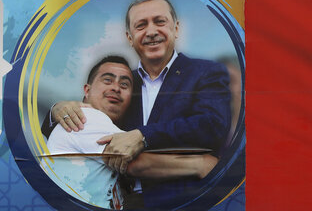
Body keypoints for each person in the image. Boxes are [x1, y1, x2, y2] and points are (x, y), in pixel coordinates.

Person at [42, 0, 232, 208]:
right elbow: (87, 121)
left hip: (184, 200)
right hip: (124, 202)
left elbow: (212, 126)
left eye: (159, 21)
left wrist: (144, 136)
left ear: (176, 28)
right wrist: (55, 111)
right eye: (141, 25)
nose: (151, 32)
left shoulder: (205, 72)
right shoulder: (124, 82)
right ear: (129, 37)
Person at [45, 56, 218, 209]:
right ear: (87, 90)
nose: (116, 88)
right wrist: (200, 164)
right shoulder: (87, 117)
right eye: (107, 80)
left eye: (124, 84)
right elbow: (136, 163)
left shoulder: (103, 123)